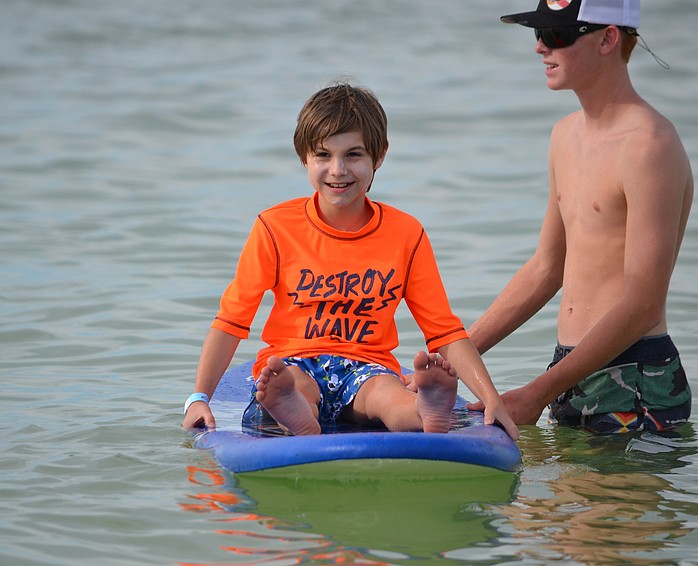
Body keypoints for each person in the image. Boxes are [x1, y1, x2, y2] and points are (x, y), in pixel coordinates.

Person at [183, 82, 518, 439]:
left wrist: (490, 396)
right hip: (296, 362)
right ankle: (294, 409)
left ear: (380, 156)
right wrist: (199, 397)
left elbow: (444, 331)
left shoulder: (406, 234)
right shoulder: (275, 227)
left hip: (369, 367)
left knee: (386, 396)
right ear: (304, 158)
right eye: (323, 155)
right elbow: (232, 319)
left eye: (354, 155)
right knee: (290, 383)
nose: (338, 170)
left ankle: (425, 409)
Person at [467, 0, 693, 433]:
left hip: (635, 379)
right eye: (538, 34)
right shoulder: (564, 136)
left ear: (608, 38)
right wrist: (457, 354)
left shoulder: (649, 146)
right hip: (567, 371)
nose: (539, 48)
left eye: (556, 36)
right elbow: (546, 268)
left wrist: (536, 393)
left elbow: (644, 305)